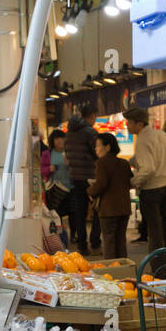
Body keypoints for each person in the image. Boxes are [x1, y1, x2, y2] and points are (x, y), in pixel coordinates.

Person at [123, 106, 166, 275]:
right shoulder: (162, 135)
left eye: (129, 122)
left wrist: (133, 182)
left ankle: (159, 273)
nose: (127, 125)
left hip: (152, 190)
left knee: (155, 233)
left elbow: (148, 169)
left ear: (139, 123)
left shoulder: (143, 139)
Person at [88, 131, 133, 262]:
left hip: (109, 209)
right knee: (121, 241)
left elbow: (101, 183)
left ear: (107, 147)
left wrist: (90, 191)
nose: (96, 149)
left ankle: (112, 272)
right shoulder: (124, 163)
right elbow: (129, 182)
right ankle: (124, 268)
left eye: (98, 145)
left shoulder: (101, 163)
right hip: (124, 207)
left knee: (109, 242)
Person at [62, 106, 99, 253]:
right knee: (98, 209)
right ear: (90, 116)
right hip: (91, 176)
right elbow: (98, 152)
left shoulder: (69, 133)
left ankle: (82, 245)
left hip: (75, 177)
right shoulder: (90, 132)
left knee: (80, 212)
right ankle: (95, 241)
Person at [42, 129, 71, 219]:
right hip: (53, 190)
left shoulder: (69, 153)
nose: (60, 141)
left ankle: (72, 233)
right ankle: (59, 232)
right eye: (57, 138)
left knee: (71, 213)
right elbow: (41, 170)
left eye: (62, 138)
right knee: (55, 214)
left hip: (69, 189)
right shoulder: (47, 154)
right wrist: (49, 169)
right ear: (52, 140)